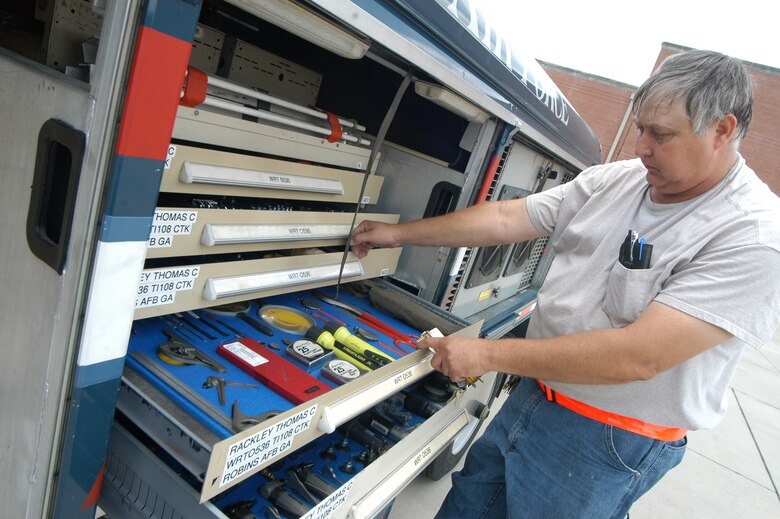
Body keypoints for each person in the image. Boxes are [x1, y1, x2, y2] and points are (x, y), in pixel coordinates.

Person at [351, 49, 780, 518]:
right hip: (537, 394)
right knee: (468, 505)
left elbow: (639, 356)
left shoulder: (751, 236)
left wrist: (486, 355)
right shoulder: (617, 181)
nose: (641, 148)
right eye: (640, 128)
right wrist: (396, 234)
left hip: (607, 439)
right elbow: (504, 217)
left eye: (661, 135)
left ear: (723, 129)